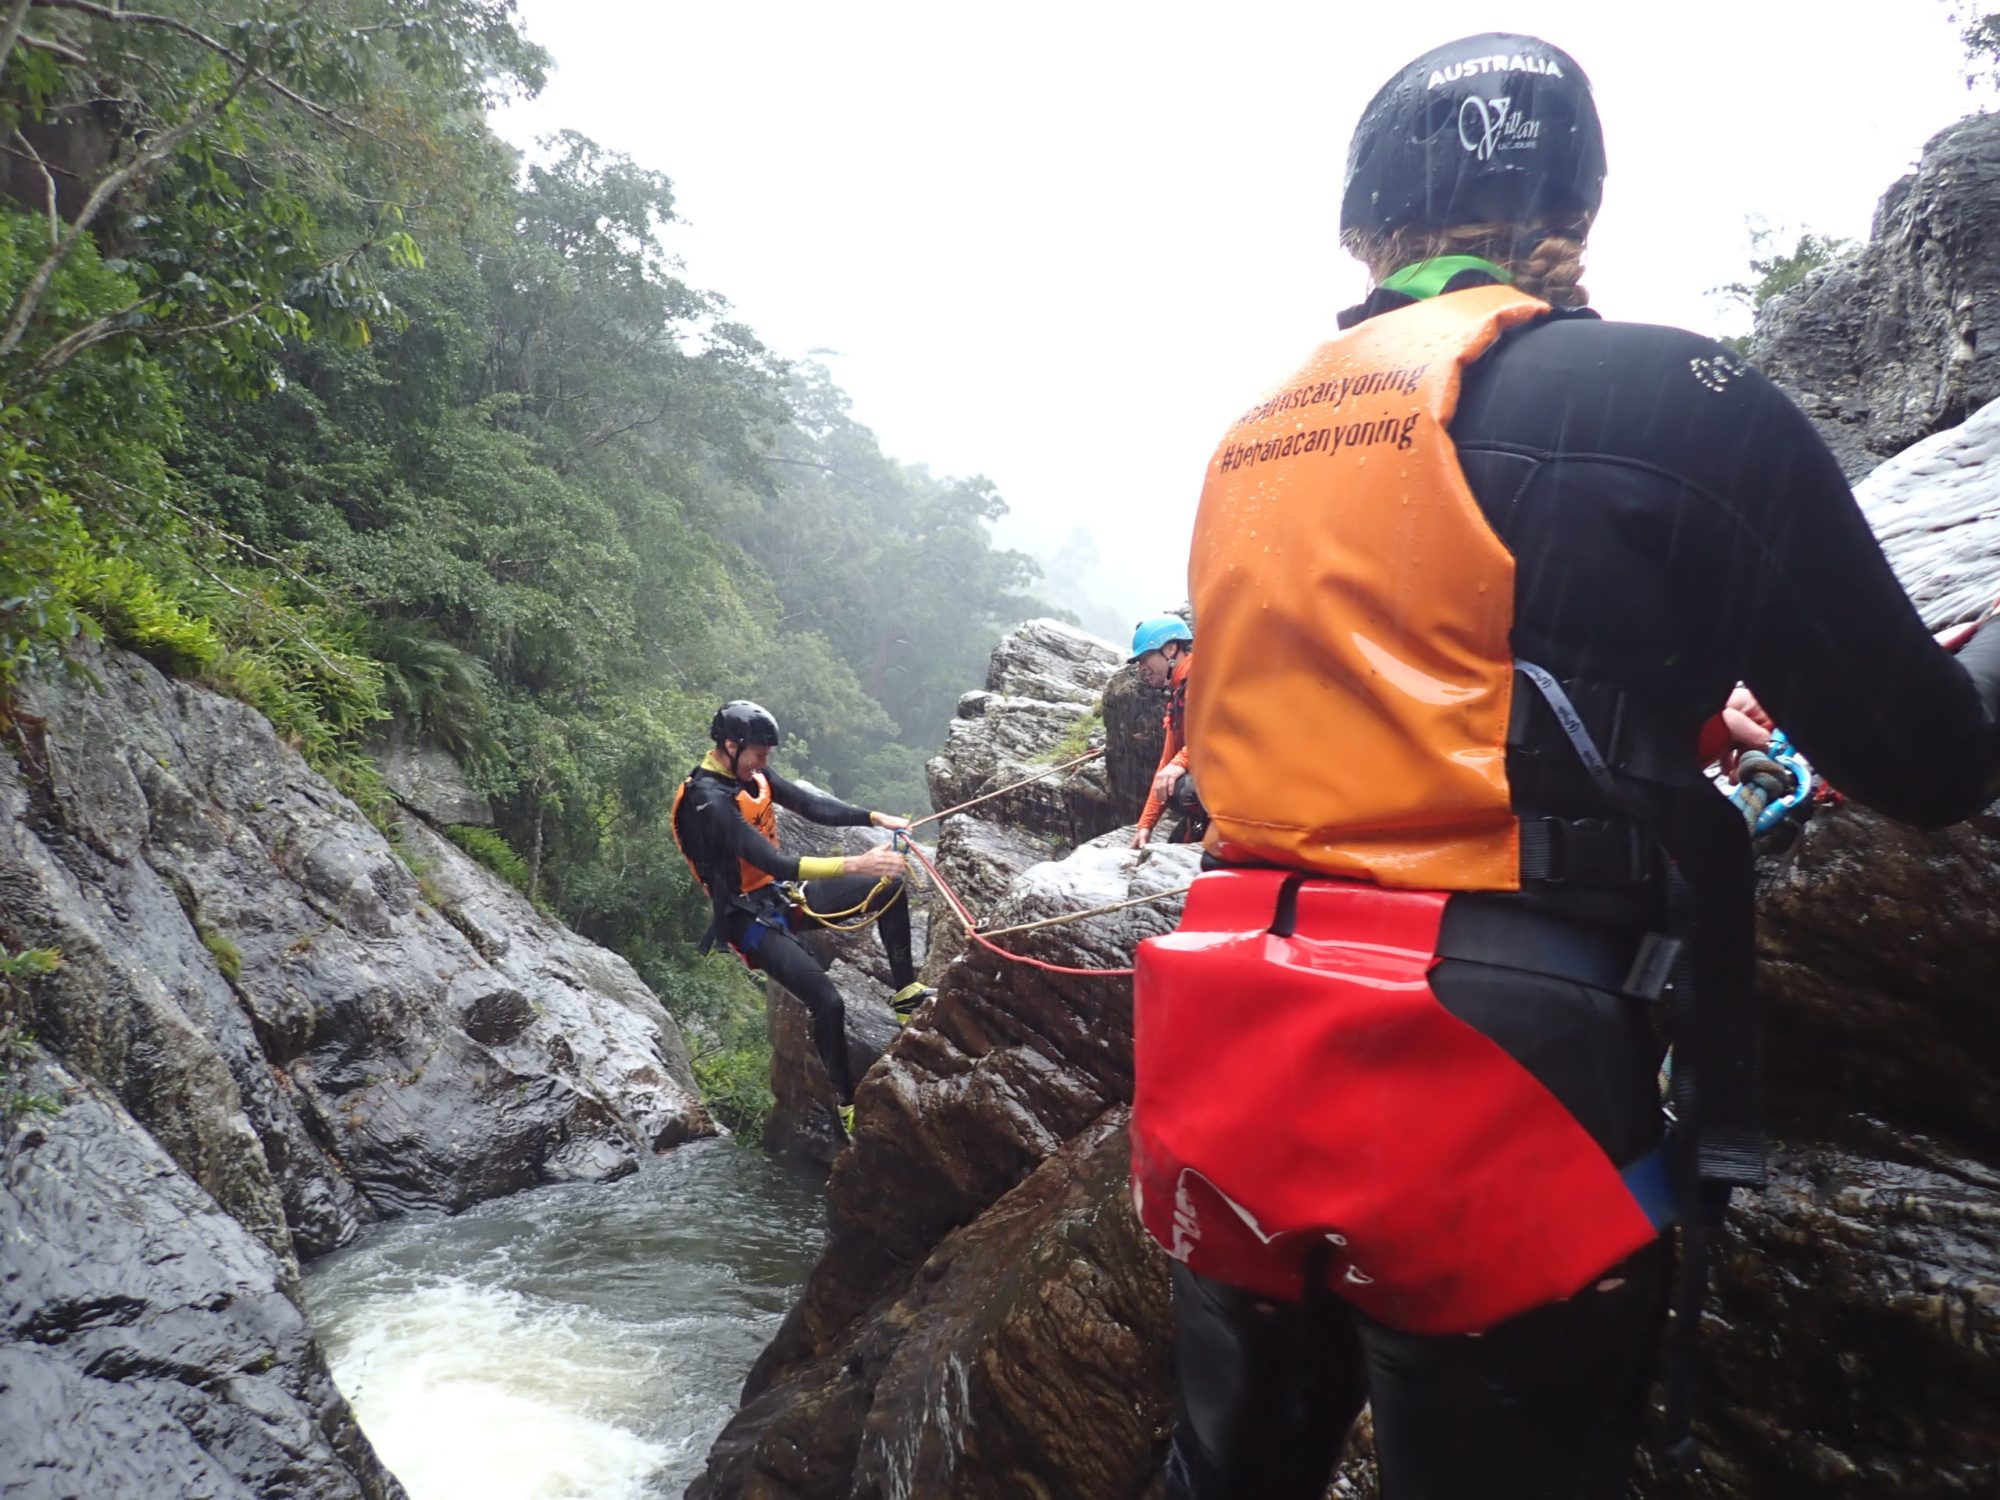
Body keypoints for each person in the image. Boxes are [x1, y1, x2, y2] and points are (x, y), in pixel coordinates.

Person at [1128, 31, 2000, 1500]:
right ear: (1579, 214)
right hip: (1489, 1071)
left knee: (1223, 1477)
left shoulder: (1253, 443)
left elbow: (1398, 682)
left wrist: (1643, 726)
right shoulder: (1673, 402)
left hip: (1227, 1043)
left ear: (1366, 230)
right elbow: (1923, 757)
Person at [671, 700, 934, 1134]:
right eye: (758, 753)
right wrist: (854, 864)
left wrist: (873, 817)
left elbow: (810, 806)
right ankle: (847, 1106)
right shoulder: (707, 801)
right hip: (745, 918)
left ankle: (905, 991)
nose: (763, 762)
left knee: (891, 884)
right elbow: (772, 861)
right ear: (731, 746)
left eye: (766, 756)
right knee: (828, 1002)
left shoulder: (751, 774)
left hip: (780, 897)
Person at [1127, 614, 1207, 847]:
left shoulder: (1204, 676)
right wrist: (1145, 825)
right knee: (1171, 789)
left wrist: (1180, 763)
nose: (1142, 669)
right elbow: (1167, 760)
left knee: (1180, 789)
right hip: (1221, 781)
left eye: (1145, 658)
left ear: (1171, 649)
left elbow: (1223, 729)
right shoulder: (1179, 694)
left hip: (1238, 779)